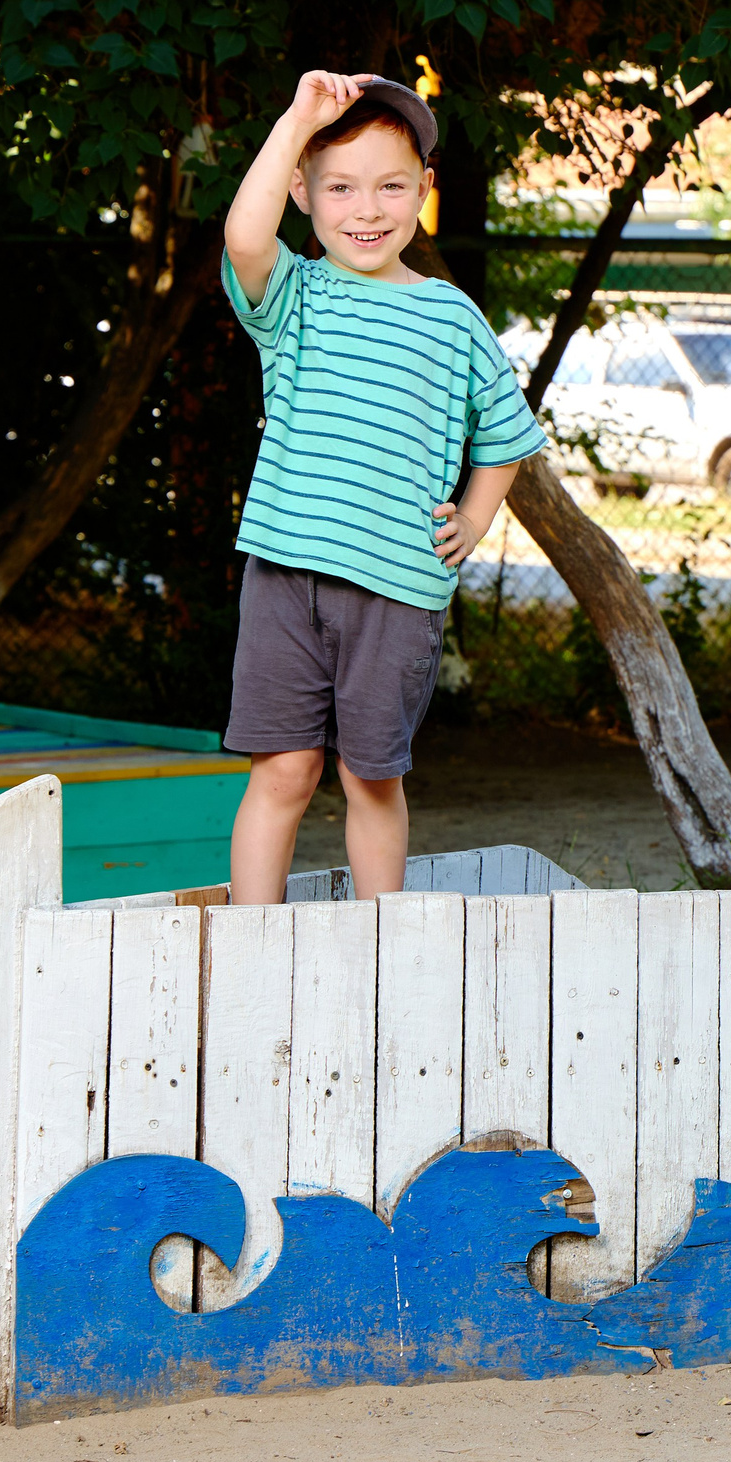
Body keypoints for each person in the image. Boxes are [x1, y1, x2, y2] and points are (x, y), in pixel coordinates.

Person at [218, 71, 546, 905]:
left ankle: (380, 952)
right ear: (304, 191)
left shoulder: (451, 316)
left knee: (371, 776)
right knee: (284, 770)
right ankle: (252, 950)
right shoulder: (294, 294)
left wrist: (474, 516)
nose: (366, 209)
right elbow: (245, 237)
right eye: (340, 188)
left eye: (391, 186)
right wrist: (296, 118)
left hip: (398, 589)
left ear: (425, 192)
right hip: (285, 576)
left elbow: (505, 434)